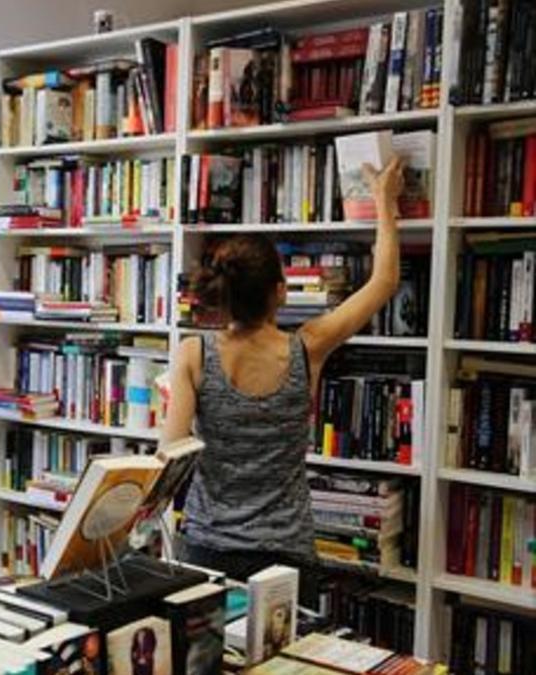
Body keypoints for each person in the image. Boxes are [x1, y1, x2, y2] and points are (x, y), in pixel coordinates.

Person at [159, 157, 404, 605]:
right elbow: (384, 280)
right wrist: (384, 200)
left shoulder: (193, 353)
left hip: (206, 546)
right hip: (286, 555)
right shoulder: (308, 347)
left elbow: (170, 461)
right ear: (281, 290)